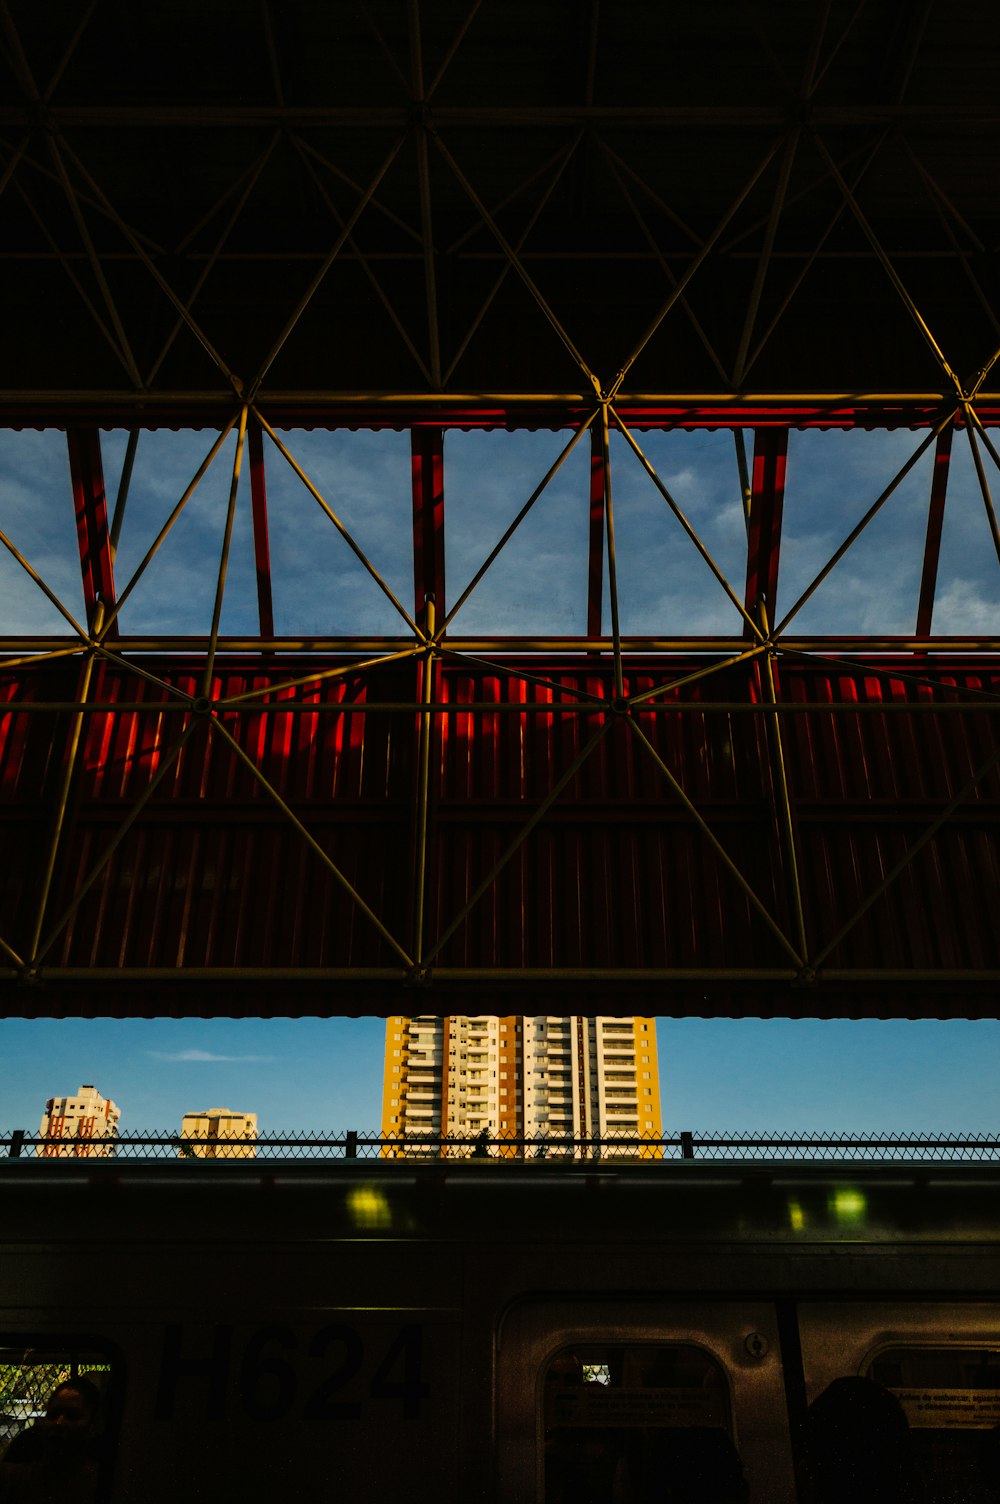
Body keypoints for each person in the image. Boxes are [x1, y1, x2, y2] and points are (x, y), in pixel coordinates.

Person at [0, 1378, 101, 1503]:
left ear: (93, 1425)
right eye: (53, 1415)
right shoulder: (16, 1478)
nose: (59, 1423)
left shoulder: (102, 1483)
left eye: (72, 1416)